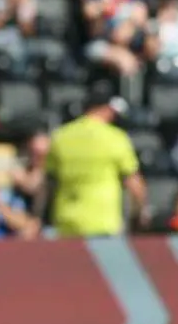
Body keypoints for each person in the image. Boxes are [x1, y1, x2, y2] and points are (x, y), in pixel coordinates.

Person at [38, 84, 149, 237]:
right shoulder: (116, 138)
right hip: (102, 222)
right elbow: (133, 182)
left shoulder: (61, 136)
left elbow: (48, 182)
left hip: (66, 221)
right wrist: (141, 211)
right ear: (107, 109)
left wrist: (38, 215)